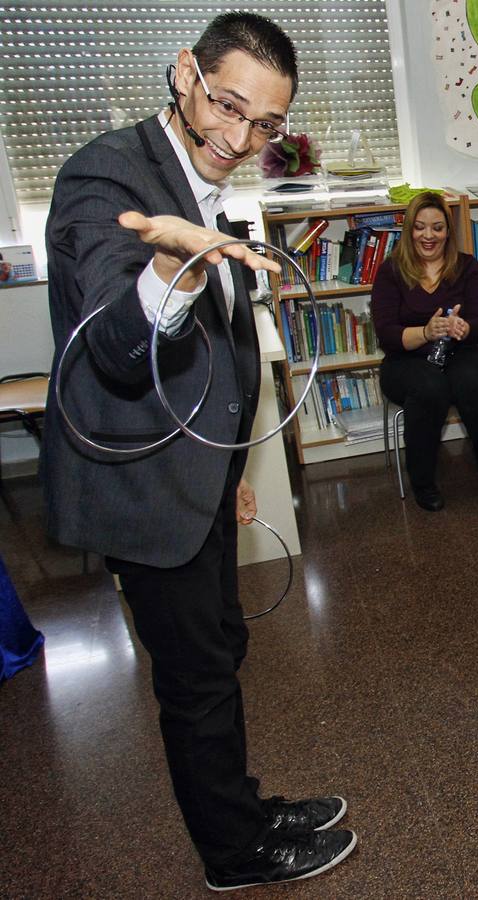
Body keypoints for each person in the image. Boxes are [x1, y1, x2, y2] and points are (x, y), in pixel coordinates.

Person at [41, 13, 356, 889]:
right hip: (143, 488)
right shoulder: (108, 173)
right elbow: (114, 343)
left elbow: (213, 349)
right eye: (226, 105)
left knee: (219, 651)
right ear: (184, 73)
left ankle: (242, 805)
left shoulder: (203, 176)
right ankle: (234, 853)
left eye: (265, 124)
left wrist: (226, 476)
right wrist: (169, 268)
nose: (239, 136)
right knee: (196, 681)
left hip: (195, 476)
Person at [371, 191, 478, 510]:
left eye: (437, 227)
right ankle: (423, 482)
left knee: (472, 381)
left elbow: (477, 319)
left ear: (448, 230)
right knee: (430, 387)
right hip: (405, 360)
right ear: (409, 231)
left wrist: (463, 328)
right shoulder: (391, 271)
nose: (428, 236)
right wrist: (425, 332)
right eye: (420, 227)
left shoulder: (468, 267)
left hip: (459, 352)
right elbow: (386, 335)